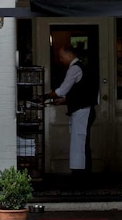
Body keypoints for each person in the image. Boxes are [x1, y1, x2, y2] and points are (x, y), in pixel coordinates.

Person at [41, 45, 99, 183]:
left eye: (61, 56)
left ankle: (81, 178)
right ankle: (83, 176)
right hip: (84, 109)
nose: (60, 60)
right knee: (81, 143)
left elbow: (62, 90)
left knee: (79, 143)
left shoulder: (74, 68)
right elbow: (80, 92)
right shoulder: (82, 68)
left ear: (70, 55)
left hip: (82, 111)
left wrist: (44, 96)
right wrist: (65, 101)